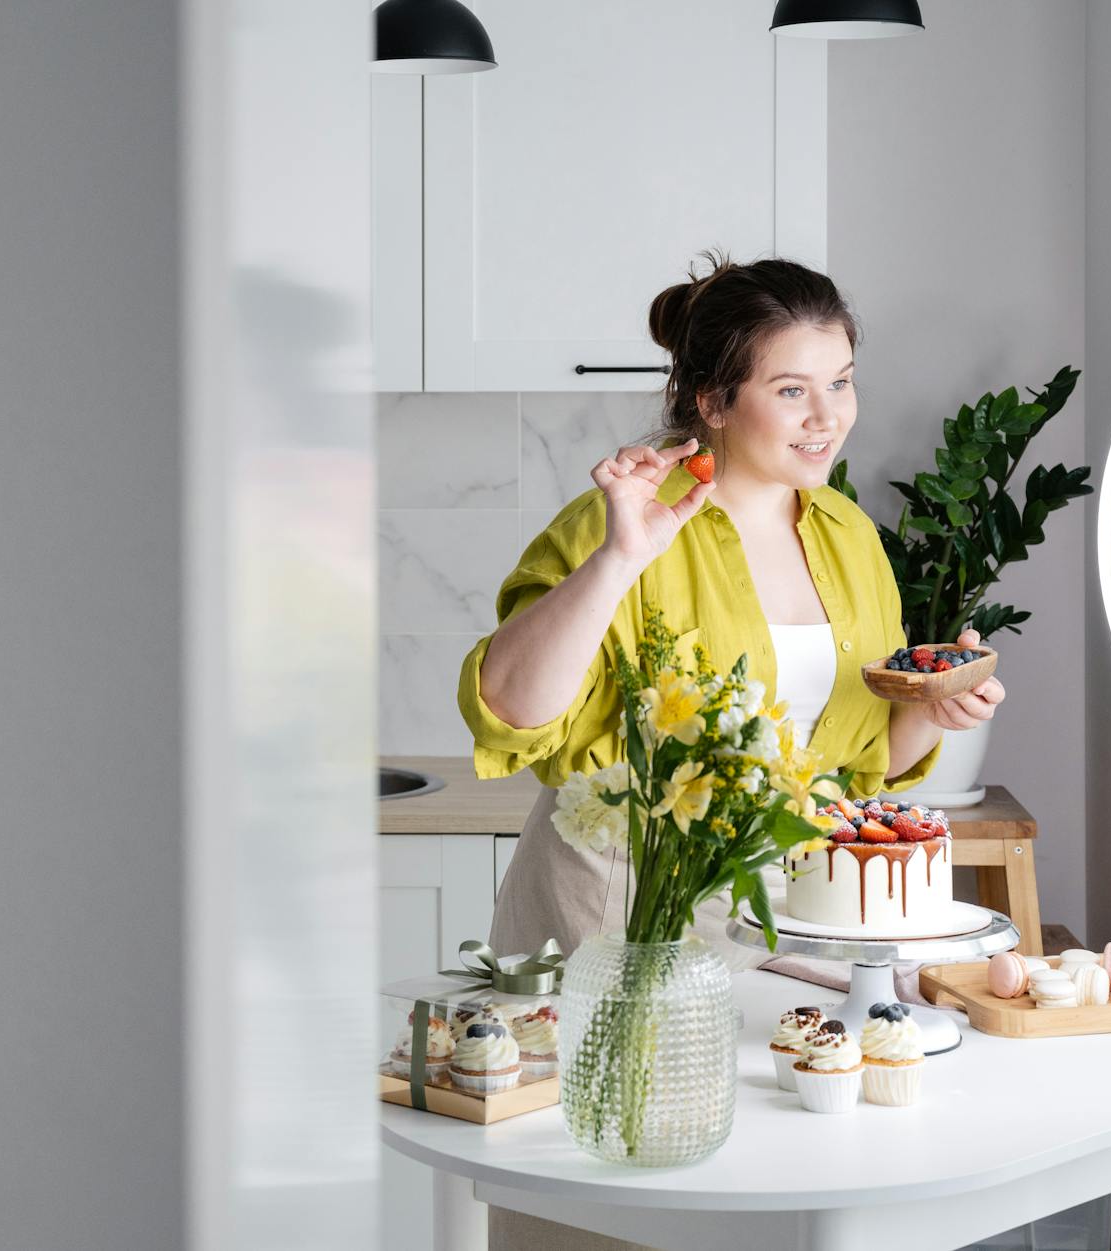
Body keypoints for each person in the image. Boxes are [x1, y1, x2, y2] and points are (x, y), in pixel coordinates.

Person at [459, 251, 1008, 1251]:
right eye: (788, 389)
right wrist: (621, 557)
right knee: (596, 1208)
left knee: (754, 1204)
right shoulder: (623, 518)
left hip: (771, 932)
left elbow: (862, 765)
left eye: (838, 382)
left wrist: (939, 705)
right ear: (711, 400)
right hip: (611, 920)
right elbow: (511, 707)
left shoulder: (846, 535)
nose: (825, 416)